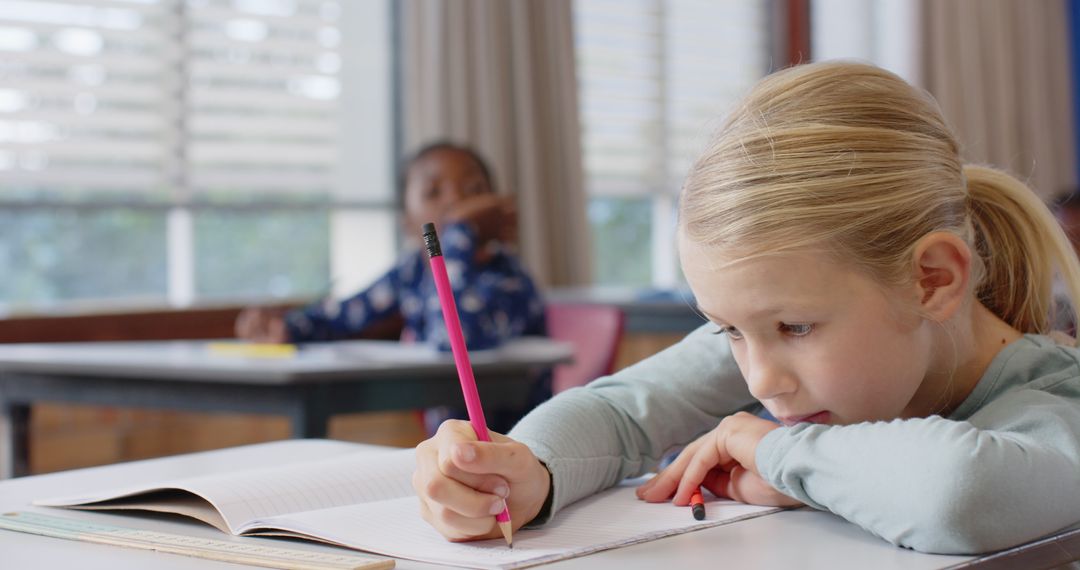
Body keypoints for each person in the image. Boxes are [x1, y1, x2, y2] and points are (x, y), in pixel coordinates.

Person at [411, 62, 1080, 555]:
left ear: (931, 279)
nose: (760, 380)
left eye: (795, 327)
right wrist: (526, 469)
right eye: (728, 329)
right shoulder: (788, 349)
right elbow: (616, 410)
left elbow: (961, 494)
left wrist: (782, 453)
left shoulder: (1054, 398)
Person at [236, 142, 548, 429]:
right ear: (408, 223)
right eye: (433, 192)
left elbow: (453, 339)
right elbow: (343, 315)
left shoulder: (510, 279)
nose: (455, 200)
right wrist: (286, 327)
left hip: (519, 449)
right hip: (454, 455)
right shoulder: (412, 271)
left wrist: (458, 235)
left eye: (473, 189)